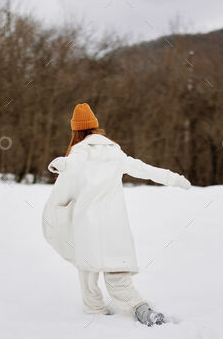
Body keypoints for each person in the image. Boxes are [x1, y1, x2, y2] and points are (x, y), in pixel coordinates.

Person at [42, 103, 190, 326]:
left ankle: (95, 312)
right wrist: (174, 179)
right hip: (115, 225)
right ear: (95, 127)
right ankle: (141, 310)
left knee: (87, 271)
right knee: (118, 276)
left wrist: (60, 164)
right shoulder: (114, 151)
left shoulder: (80, 151)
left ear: (76, 130)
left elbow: (72, 163)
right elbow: (144, 169)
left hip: (87, 226)